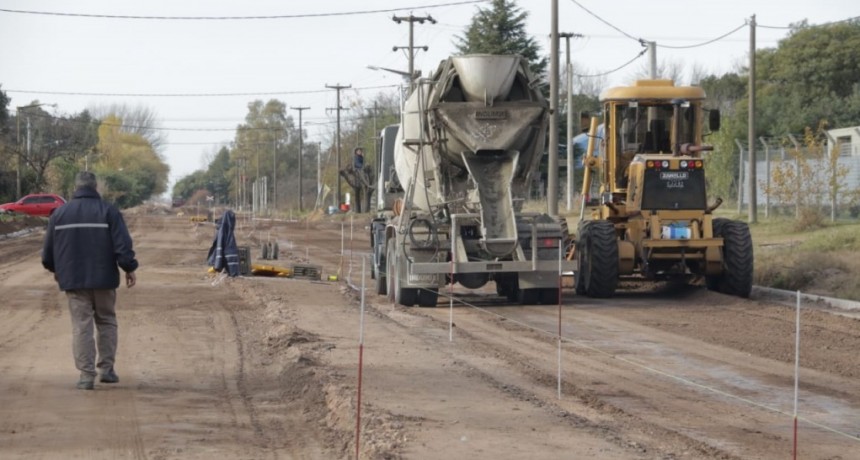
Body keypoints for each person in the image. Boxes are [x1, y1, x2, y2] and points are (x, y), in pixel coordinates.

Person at [42, 171, 138, 390]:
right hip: (104, 278)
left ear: (75, 188)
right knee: (106, 321)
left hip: (73, 280)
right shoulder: (109, 211)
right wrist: (129, 268)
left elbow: (47, 253)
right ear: (95, 187)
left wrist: (57, 270)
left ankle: (86, 376)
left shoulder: (59, 214)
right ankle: (107, 370)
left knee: (81, 325)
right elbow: (122, 246)